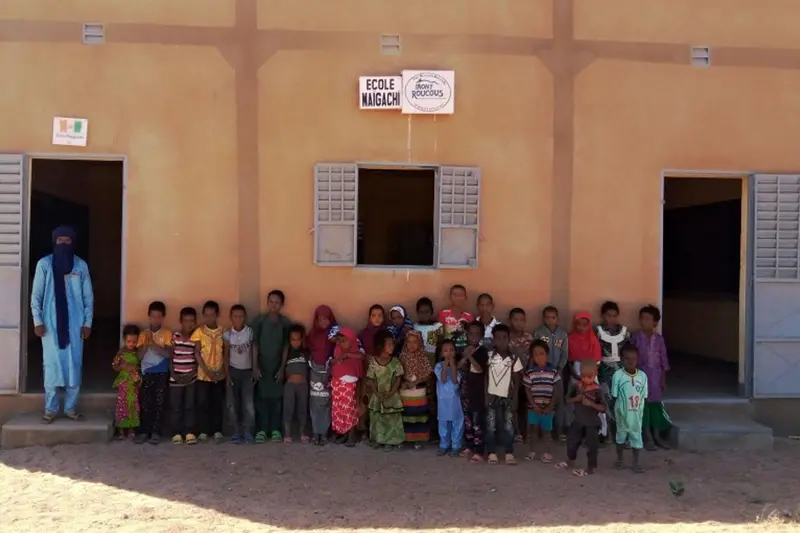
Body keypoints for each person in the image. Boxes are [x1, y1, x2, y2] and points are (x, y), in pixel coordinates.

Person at [31, 225, 94, 423]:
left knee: (74, 365)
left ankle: (71, 409)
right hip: (49, 326)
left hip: (75, 326)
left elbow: (88, 297)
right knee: (51, 366)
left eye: (68, 241)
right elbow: (36, 296)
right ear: (54, 242)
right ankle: (50, 409)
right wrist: (38, 321)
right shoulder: (44, 265)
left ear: (73, 243)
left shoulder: (80, 266)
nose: (64, 244)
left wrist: (87, 323)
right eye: (60, 240)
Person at [251, 290, 292, 444]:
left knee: (276, 400)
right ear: (267, 302)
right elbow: (254, 345)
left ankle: (275, 430)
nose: (274, 305)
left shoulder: (285, 323)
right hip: (262, 365)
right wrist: (255, 366)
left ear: (282, 305)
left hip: (277, 366)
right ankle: (261, 430)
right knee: (261, 398)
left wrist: (282, 368)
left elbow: (286, 346)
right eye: (271, 301)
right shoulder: (260, 321)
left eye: (277, 302)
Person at [631, 305, 672, 450]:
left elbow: (663, 361)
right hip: (640, 377)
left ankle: (657, 436)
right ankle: (646, 436)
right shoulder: (635, 337)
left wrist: (663, 380)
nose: (644, 321)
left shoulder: (659, 339)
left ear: (655, 322)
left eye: (648, 319)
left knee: (655, 407)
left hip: (655, 378)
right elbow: (631, 358)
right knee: (643, 408)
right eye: (642, 318)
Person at [557, 359, 606, 476]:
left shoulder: (598, 390)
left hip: (592, 423)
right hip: (578, 420)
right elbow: (567, 400)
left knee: (591, 446)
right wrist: (576, 399)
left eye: (589, 376)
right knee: (571, 442)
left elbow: (603, 408)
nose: (586, 379)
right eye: (583, 376)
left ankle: (590, 468)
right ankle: (570, 461)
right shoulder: (576, 386)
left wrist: (591, 404)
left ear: (595, 374)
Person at [484, 324, 523, 466]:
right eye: (498, 338)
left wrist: (516, 397)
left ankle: (508, 452)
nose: (501, 341)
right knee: (491, 425)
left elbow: (517, 379)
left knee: (508, 425)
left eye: (504, 338)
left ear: (509, 339)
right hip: (492, 395)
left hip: (508, 397)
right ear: (493, 340)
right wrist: (486, 394)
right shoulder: (489, 356)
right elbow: (486, 377)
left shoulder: (513, 358)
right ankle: (492, 452)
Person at [134, 301, 172, 445]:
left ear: (163, 318)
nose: (156, 319)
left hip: (161, 372)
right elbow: (139, 356)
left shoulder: (167, 333)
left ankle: (156, 432)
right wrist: (146, 345)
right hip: (146, 373)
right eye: (153, 316)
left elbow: (168, 354)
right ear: (149, 317)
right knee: (145, 403)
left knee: (159, 403)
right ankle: (144, 431)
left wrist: (154, 345)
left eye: (159, 317)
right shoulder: (143, 334)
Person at [192, 300, 226, 443]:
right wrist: (206, 370)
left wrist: (220, 369)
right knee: (203, 403)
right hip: (203, 374)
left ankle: (217, 430)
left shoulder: (223, 331)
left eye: (212, 315)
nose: (209, 318)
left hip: (219, 373)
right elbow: (197, 353)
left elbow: (225, 352)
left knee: (217, 403)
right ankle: (203, 431)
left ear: (217, 315)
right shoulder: (199, 331)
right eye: (206, 315)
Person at [533, 305, 569, 440]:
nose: (550, 320)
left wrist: (559, 369)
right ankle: (543, 432)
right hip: (542, 372)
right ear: (543, 318)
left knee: (558, 401)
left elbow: (565, 354)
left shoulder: (563, 334)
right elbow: (535, 352)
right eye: (547, 317)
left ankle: (559, 431)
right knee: (543, 400)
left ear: (557, 318)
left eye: (553, 317)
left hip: (557, 373)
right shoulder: (539, 333)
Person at [596, 301, 630, 440]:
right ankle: (606, 432)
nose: (611, 318)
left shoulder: (624, 331)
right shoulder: (598, 331)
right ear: (603, 316)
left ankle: (623, 434)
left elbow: (629, 351)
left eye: (614, 315)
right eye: (608, 315)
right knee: (605, 401)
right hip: (604, 370)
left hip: (621, 370)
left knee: (622, 402)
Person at [522, 339, 560, 463]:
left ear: (547, 354)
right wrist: (533, 405)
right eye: (535, 354)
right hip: (534, 407)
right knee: (533, 429)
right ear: (532, 357)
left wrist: (551, 405)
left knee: (546, 431)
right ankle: (532, 451)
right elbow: (527, 390)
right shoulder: (530, 372)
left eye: (541, 353)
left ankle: (547, 452)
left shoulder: (553, 371)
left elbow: (556, 389)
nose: (539, 357)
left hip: (548, 407)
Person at [612, 344, 648, 473]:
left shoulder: (643, 376)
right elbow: (614, 395)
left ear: (638, 359)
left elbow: (644, 396)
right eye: (627, 358)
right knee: (620, 437)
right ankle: (619, 459)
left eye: (634, 358)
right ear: (621, 360)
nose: (631, 361)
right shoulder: (618, 375)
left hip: (636, 415)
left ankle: (636, 462)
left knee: (636, 438)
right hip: (622, 413)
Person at [223, 304, 257, 445]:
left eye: (241, 316)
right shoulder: (227, 334)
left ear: (245, 317)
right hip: (233, 371)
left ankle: (248, 431)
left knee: (248, 403)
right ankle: (236, 432)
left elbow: (254, 351)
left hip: (247, 371)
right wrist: (227, 375)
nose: (238, 319)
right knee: (232, 403)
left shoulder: (249, 332)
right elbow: (225, 355)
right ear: (231, 318)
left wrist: (255, 368)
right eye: (235, 316)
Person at [367, 330, 405, 450]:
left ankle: (390, 441)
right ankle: (378, 439)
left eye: (392, 344)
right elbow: (371, 379)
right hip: (377, 396)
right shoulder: (373, 362)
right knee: (377, 418)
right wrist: (376, 392)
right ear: (380, 346)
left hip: (392, 395)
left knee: (391, 419)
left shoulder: (395, 362)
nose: (392, 346)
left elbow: (398, 379)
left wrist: (392, 392)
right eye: (389, 344)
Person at [413, 297, 444, 441]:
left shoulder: (438, 327)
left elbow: (441, 347)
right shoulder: (415, 327)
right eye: (421, 312)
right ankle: (421, 429)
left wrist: (438, 365)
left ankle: (435, 430)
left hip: (433, 364)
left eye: (427, 312)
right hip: (418, 366)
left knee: (434, 398)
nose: (424, 315)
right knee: (421, 397)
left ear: (431, 312)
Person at [459, 320, 489, 463]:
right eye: (471, 334)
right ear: (467, 335)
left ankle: (479, 450)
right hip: (465, 392)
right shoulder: (463, 349)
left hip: (478, 393)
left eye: (477, 334)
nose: (474, 337)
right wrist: (465, 355)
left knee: (478, 422)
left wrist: (470, 356)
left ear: (482, 336)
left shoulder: (482, 351)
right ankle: (469, 446)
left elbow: (480, 369)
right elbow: (459, 366)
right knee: (467, 421)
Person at [170, 307, 200, 445]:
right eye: (186, 321)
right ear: (180, 321)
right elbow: (170, 357)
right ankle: (176, 432)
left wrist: (192, 373)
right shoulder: (175, 337)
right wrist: (173, 374)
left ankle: (189, 432)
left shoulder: (196, 339)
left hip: (191, 380)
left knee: (189, 406)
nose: (189, 324)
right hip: (175, 379)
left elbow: (197, 358)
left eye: (192, 321)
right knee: (176, 407)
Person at [398, 330, 433, 448]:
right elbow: (398, 372)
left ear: (420, 343)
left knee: (419, 415)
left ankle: (418, 439)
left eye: (415, 342)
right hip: (405, 390)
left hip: (419, 390)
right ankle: (406, 437)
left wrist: (417, 381)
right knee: (406, 415)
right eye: (409, 342)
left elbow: (428, 374)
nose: (412, 345)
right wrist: (404, 382)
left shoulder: (423, 356)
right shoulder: (402, 356)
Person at [331, 328, 364, 446]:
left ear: (352, 341)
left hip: (349, 387)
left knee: (350, 411)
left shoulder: (356, 355)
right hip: (337, 385)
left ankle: (351, 435)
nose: (341, 343)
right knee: (339, 411)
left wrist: (348, 355)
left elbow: (359, 371)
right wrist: (339, 358)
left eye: (344, 341)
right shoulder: (337, 353)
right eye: (339, 341)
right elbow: (332, 365)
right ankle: (344, 434)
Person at [508, 307, 533, 442]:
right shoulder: (507, 338)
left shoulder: (529, 338)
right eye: (515, 319)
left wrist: (528, 371)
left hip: (528, 376)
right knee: (514, 405)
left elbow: (533, 356)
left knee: (528, 406)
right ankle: (516, 431)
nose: (518, 322)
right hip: (513, 377)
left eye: (521, 320)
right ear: (510, 321)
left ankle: (527, 432)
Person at [282, 324, 310, 443]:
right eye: (293, 339)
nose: (296, 342)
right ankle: (287, 433)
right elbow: (283, 367)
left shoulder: (306, 353)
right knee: (288, 409)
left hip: (303, 385)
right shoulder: (287, 352)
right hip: (290, 385)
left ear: (302, 339)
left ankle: (302, 432)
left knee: (302, 409)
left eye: (298, 339)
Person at [435, 339, 463, 457]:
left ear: (455, 352)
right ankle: (444, 444)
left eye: (451, 350)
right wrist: (446, 367)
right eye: (445, 351)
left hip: (454, 401)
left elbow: (455, 381)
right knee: (443, 422)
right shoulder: (438, 366)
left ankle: (456, 445)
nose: (449, 353)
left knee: (456, 421)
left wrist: (453, 366)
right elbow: (443, 379)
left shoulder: (458, 366)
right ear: (441, 353)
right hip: (443, 400)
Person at [112, 325, 141, 439]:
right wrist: (123, 366)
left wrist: (136, 375)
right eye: (129, 341)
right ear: (124, 340)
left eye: (134, 341)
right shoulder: (121, 353)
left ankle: (132, 430)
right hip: (124, 383)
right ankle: (121, 431)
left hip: (133, 383)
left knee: (133, 405)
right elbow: (115, 366)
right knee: (122, 406)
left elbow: (139, 367)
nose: (131, 344)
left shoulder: (137, 353)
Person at [438, 284, 474, 353]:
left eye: (460, 295)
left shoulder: (468, 316)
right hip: (448, 352)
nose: (457, 297)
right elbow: (440, 335)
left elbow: (471, 335)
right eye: (454, 295)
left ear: (465, 297)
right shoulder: (443, 314)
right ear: (450, 297)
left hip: (464, 351)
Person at [309, 349, 332, 446]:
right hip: (315, 388)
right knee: (314, 410)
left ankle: (323, 434)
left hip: (325, 368)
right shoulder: (310, 360)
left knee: (326, 409)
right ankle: (316, 434)